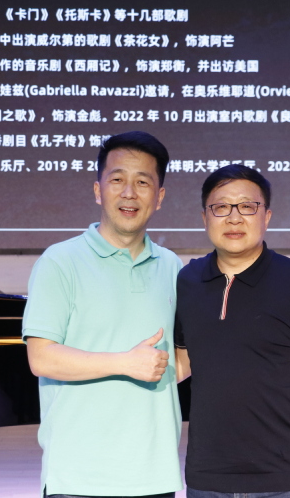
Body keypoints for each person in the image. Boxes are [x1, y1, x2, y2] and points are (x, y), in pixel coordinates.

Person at [22, 131, 184, 498]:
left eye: (142, 182)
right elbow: (41, 358)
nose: (129, 193)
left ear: (159, 197)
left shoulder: (172, 267)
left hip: (155, 475)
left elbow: (177, 362)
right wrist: (125, 363)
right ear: (98, 190)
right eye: (117, 180)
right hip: (79, 477)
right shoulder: (59, 261)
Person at [174, 164, 290, 498]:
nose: (234, 218)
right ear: (204, 217)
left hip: (285, 479)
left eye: (247, 206)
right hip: (207, 478)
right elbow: (183, 363)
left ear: (266, 216)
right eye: (221, 207)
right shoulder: (188, 281)